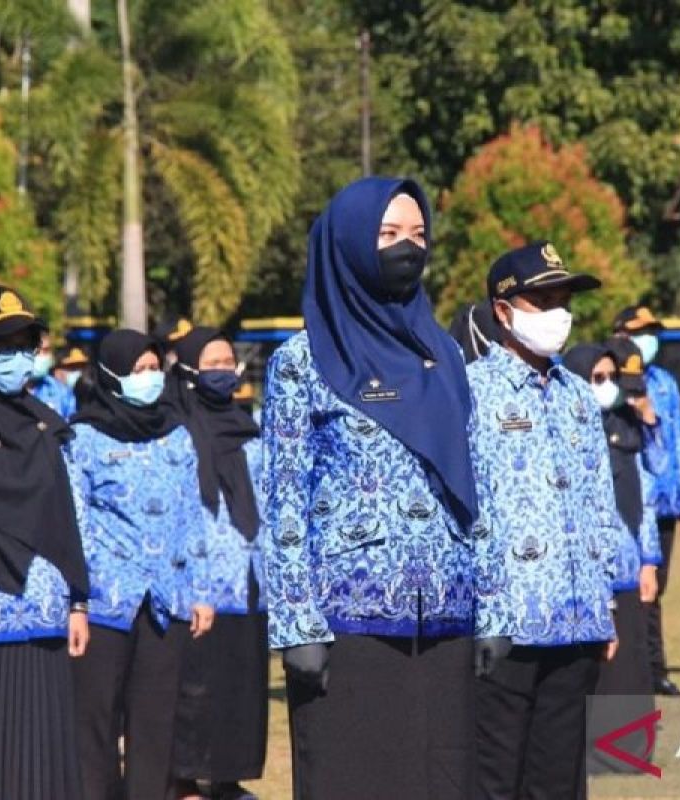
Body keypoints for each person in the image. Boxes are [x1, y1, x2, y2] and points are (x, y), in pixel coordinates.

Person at [262, 177, 511, 800]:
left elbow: (477, 486)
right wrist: (297, 626)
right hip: (347, 627)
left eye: (419, 235)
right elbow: (284, 499)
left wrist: (495, 608)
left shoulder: (446, 355)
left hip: (446, 619)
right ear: (348, 245)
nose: (408, 248)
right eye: (389, 234)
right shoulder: (302, 362)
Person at [468, 241, 622, 800]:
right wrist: (481, 609)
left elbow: (599, 503)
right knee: (495, 777)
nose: (559, 313)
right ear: (503, 312)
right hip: (506, 620)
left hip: (576, 618)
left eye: (563, 300)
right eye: (543, 301)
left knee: (559, 779)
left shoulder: (578, 396)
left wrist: (605, 602)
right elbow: (463, 509)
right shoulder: (469, 392)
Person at [0, 286, 92, 800]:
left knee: (41, 769)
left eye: (24, 342)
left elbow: (67, 516)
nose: (16, 357)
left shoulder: (47, 425)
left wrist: (77, 600)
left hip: (44, 616)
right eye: (1, 344)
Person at [69, 330, 216, 800]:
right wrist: (78, 596)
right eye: (138, 370)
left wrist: (201, 590)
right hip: (104, 603)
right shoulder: (82, 437)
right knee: (96, 719)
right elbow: (76, 521)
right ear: (112, 375)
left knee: (155, 722)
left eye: (155, 369)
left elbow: (193, 515)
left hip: (165, 600)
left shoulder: (176, 435)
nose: (148, 378)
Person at [166, 327, 268, 800]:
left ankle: (230, 778)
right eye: (212, 363)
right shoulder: (175, 429)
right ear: (187, 369)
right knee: (194, 691)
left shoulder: (248, 427)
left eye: (228, 362)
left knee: (241, 687)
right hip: (198, 584)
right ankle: (184, 779)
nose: (224, 371)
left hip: (248, 582)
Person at [564, 337, 665, 775]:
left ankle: (630, 751)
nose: (606, 386)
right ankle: (591, 753)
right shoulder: (567, 432)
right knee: (594, 667)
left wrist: (649, 560)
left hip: (627, 564)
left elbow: (648, 487)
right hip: (587, 569)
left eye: (611, 378)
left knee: (632, 662)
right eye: (596, 378)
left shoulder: (626, 424)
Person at [613, 306, 680, 696]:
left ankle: (654, 669)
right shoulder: (605, 380)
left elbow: (675, 442)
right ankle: (639, 669)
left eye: (652, 332)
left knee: (654, 589)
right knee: (632, 592)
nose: (648, 339)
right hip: (626, 499)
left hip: (662, 500)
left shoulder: (664, 382)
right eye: (640, 331)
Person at [30, 332, 76, 419]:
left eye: (46, 351)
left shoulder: (62, 392)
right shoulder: (8, 390)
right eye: (37, 351)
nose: (42, 356)